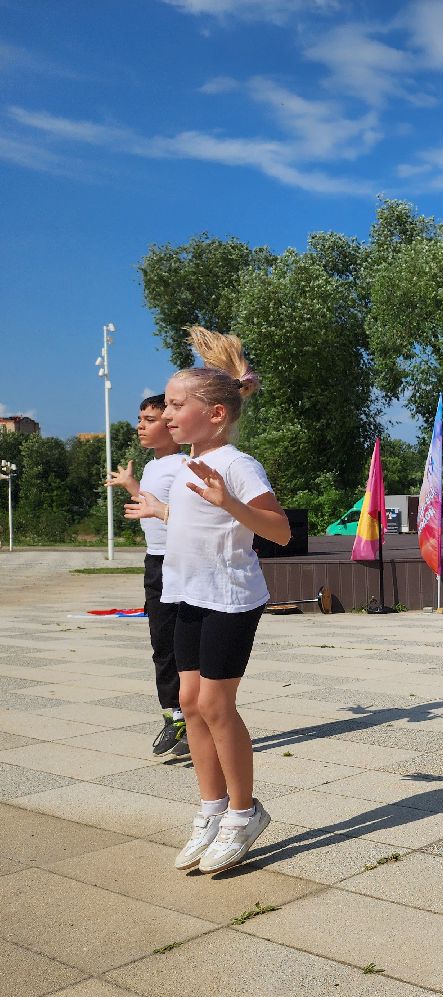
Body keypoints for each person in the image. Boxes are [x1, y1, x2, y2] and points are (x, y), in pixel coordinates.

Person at [124, 327, 292, 875]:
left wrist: (231, 502)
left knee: (218, 706)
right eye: (166, 407)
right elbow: (198, 525)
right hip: (185, 595)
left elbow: (280, 531)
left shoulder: (237, 465)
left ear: (215, 413)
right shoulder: (180, 465)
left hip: (229, 598)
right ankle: (211, 809)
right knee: (192, 703)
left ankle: (245, 814)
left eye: (176, 405)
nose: (166, 415)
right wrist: (160, 512)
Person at [106, 394, 189, 757]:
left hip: (182, 562)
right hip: (155, 562)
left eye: (149, 419)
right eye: (140, 418)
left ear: (171, 425)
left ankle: (191, 717)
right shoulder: (155, 465)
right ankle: (174, 715)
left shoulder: (184, 465)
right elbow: (153, 507)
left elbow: (189, 517)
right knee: (161, 643)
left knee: (182, 645)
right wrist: (131, 485)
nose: (141, 425)